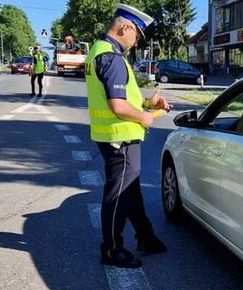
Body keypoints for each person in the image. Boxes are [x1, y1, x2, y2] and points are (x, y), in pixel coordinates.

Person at [85, 3, 172, 268]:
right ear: (126, 27)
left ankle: (145, 236)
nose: (135, 43)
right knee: (118, 196)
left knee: (130, 190)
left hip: (114, 136)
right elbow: (118, 106)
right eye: (137, 36)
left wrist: (147, 105)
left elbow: (120, 99)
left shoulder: (99, 51)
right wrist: (145, 117)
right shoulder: (112, 58)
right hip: (119, 139)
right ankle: (111, 250)